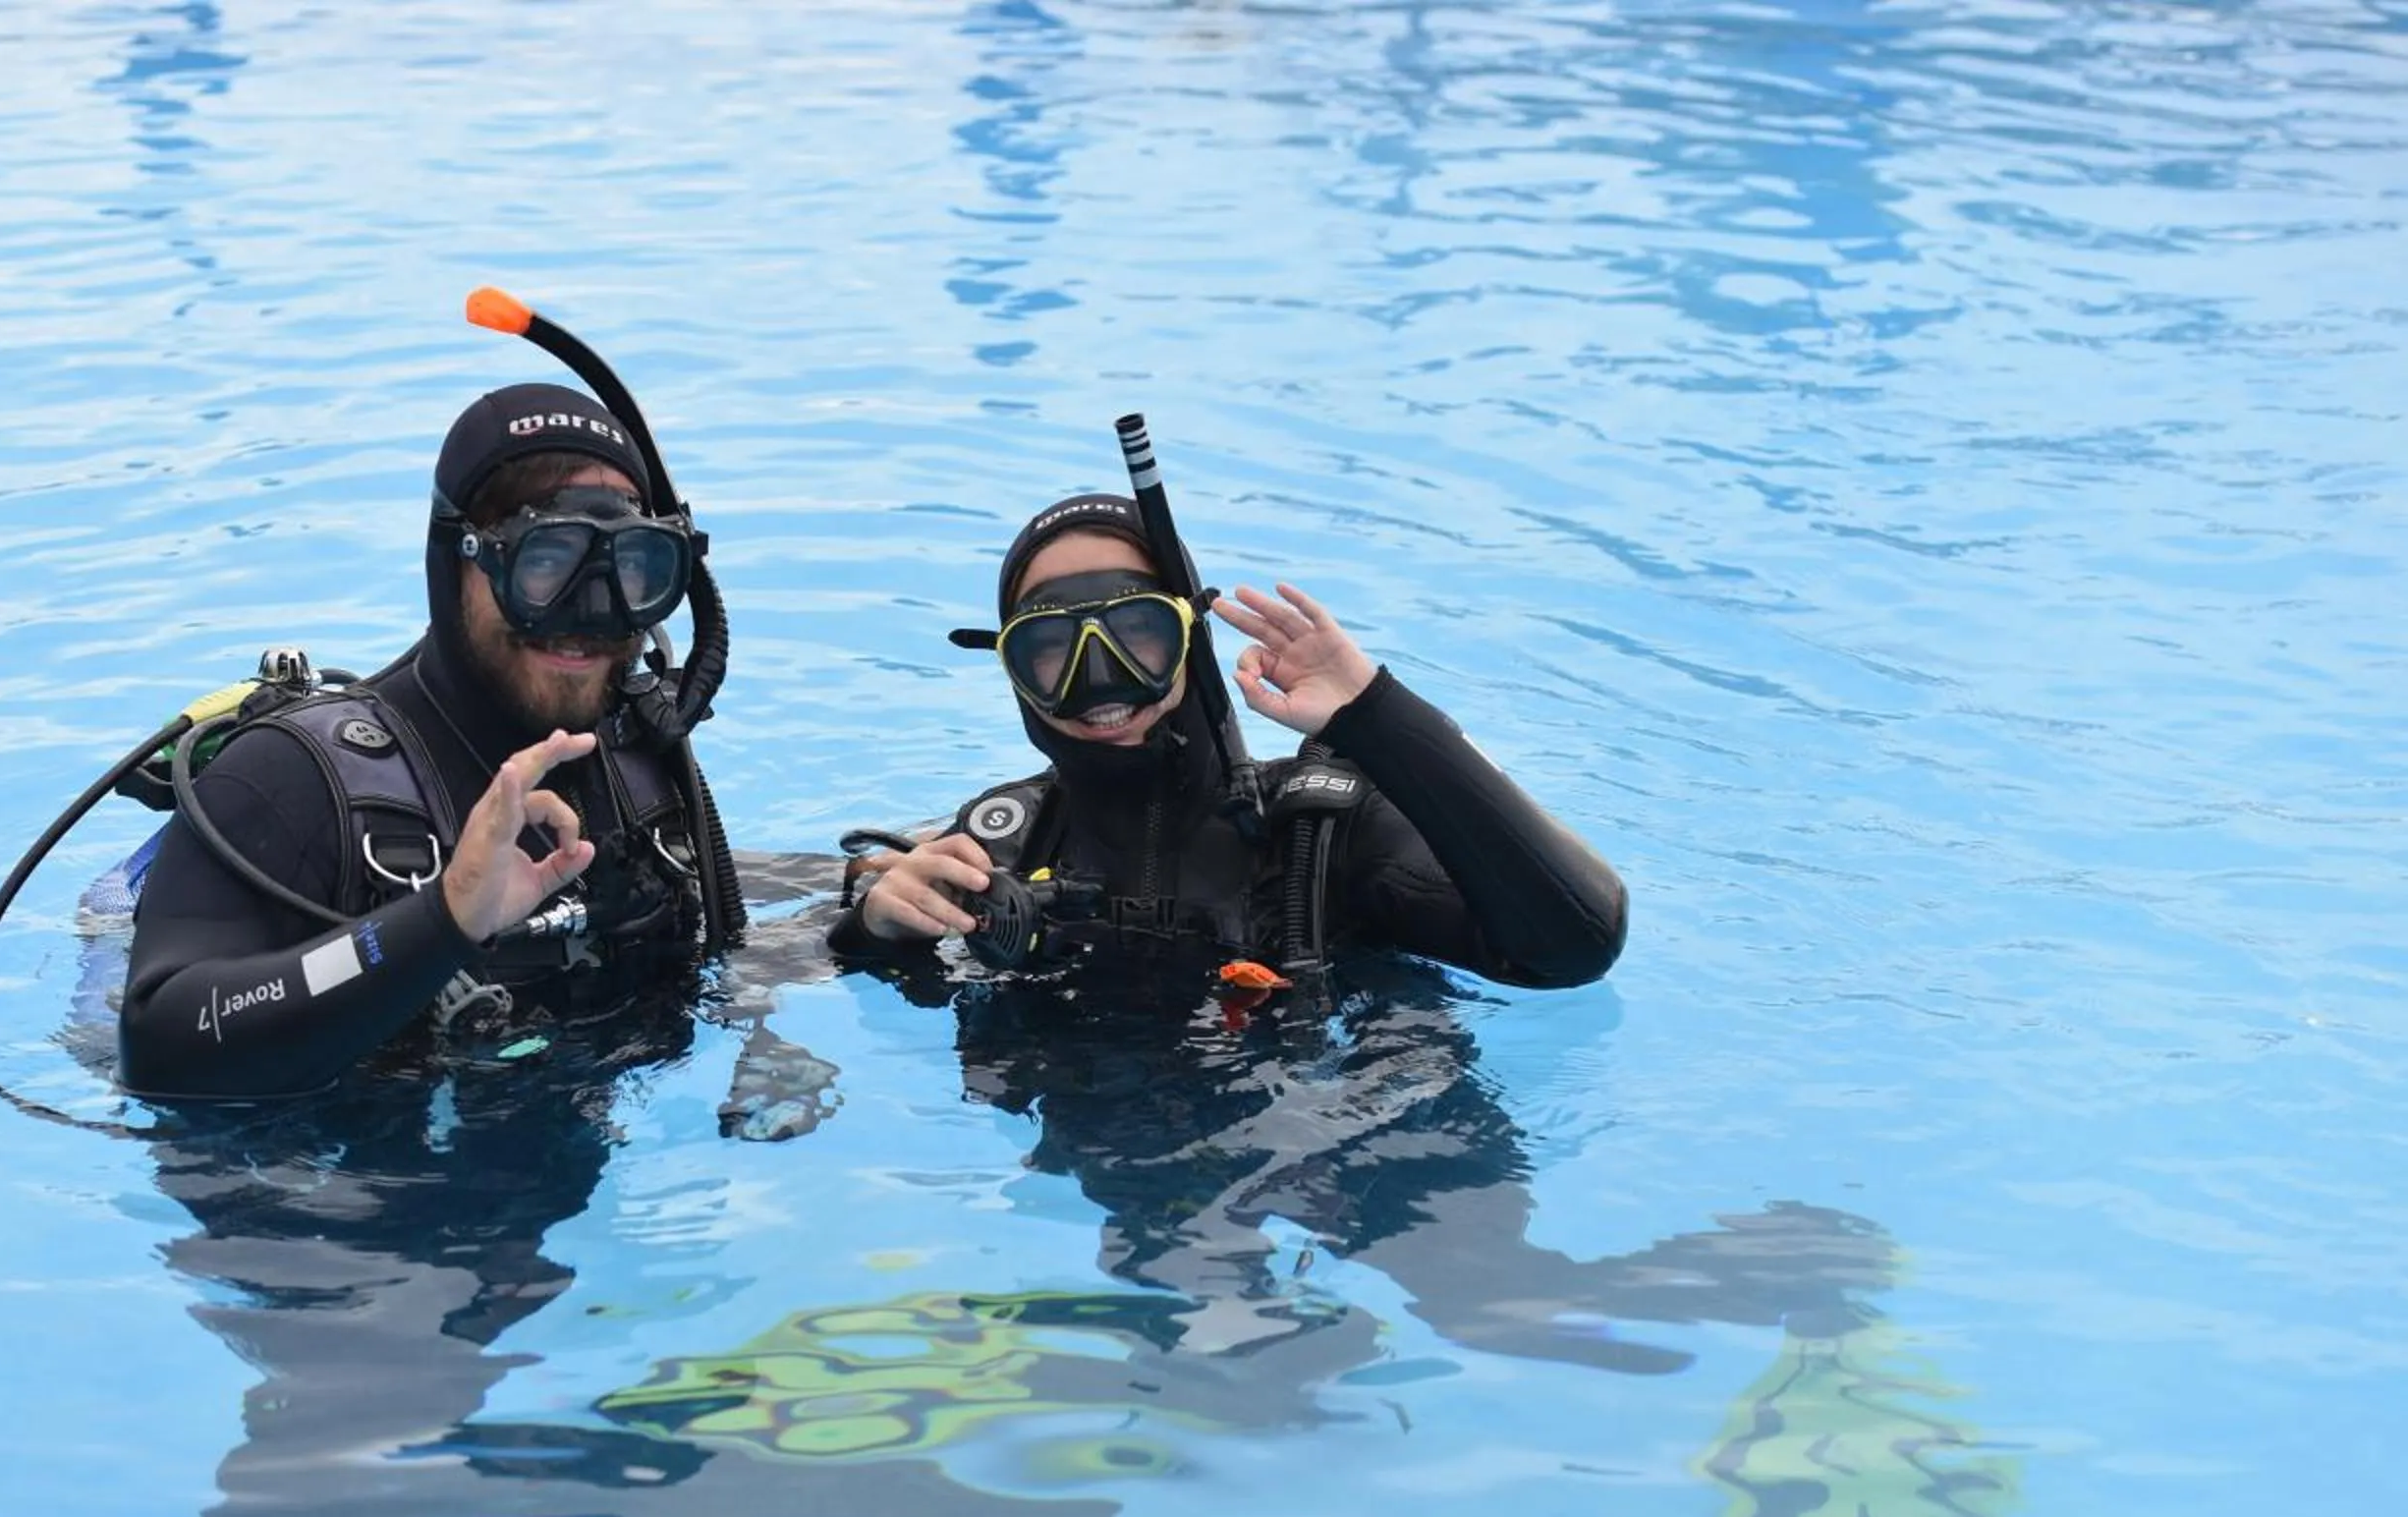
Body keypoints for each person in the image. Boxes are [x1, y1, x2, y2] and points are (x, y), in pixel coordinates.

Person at [117, 363, 745, 1099]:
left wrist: (860, 920)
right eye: (547, 565)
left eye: (633, 570)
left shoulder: (641, 762)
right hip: (325, 1198)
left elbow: (721, 926)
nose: (589, 615)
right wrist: (441, 918)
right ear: (457, 562)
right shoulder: (294, 780)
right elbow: (158, 1041)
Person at [830, 490, 1628, 989]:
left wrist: (1380, 720)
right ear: (1012, 671)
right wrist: (872, 932)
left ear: (1191, 642)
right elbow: (770, 966)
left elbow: (1575, 947)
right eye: (1050, 649)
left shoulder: (1328, 831)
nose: (1098, 681)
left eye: (1135, 634)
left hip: (1351, 1151)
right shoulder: (995, 845)